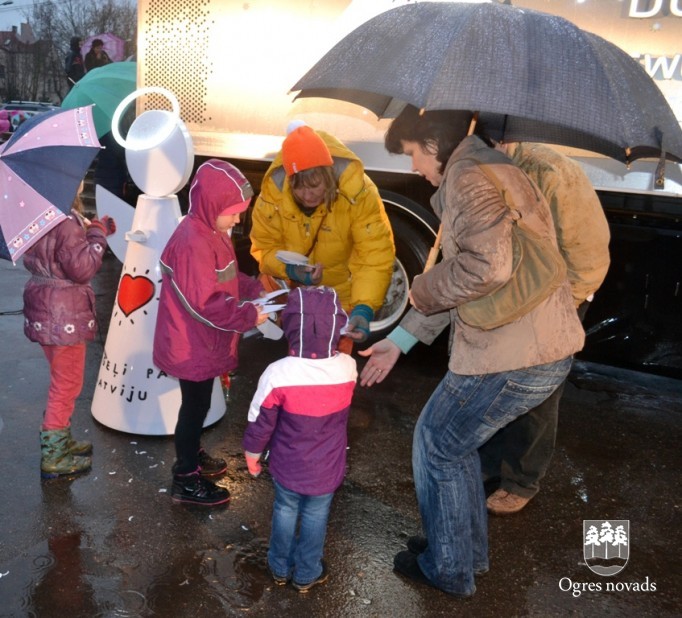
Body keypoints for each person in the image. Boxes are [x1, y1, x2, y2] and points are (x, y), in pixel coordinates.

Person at [358, 105, 585, 597]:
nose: (414, 166)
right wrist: (399, 341)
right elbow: (470, 281)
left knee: (437, 444)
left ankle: (448, 568)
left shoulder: (467, 178)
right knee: (454, 445)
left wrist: (421, 286)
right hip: (538, 346)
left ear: (434, 145)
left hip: (514, 354)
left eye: (413, 154)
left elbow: (485, 269)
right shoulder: (493, 166)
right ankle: (462, 552)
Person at [479, 141, 611, 515]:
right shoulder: (483, 167)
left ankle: (521, 480)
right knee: (496, 378)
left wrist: (565, 307)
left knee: (537, 389)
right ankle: (491, 462)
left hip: (560, 296)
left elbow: (588, 253)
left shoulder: (550, 172)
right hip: (514, 294)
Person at [153, 159, 268, 507]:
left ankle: (192, 453)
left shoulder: (211, 232)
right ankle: (185, 477)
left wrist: (253, 288)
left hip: (201, 342)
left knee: (197, 405)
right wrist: (248, 315)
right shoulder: (193, 242)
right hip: (191, 344)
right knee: (194, 407)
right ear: (211, 205)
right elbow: (204, 303)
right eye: (233, 213)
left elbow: (225, 278)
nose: (238, 220)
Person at [242, 285, 357, 593]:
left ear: (290, 326)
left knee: (284, 509)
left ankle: (279, 567)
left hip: (287, 465)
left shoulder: (277, 374)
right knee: (316, 516)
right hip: (327, 468)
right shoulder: (348, 368)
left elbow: (260, 420)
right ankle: (307, 573)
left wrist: (252, 454)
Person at [250, 121, 395, 351]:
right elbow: (264, 248)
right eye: (299, 187)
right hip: (293, 295)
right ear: (289, 181)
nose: (307, 195)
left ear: (328, 176)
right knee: (298, 360)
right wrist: (290, 270)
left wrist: (364, 307)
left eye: (314, 186)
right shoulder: (272, 196)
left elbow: (374, 256)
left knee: (336, 364)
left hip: (340, 299)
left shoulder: (359, 194)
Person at [23, 192, 116, 479]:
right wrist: (97, 235)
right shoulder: (65, 223)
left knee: (61, 380)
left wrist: (90, 232)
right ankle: (54, 455)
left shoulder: (38, 218)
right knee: (66, 385)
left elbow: (60, 256)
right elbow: (83, 269)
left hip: (45, 308)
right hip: (64, 314)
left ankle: (60, 439)